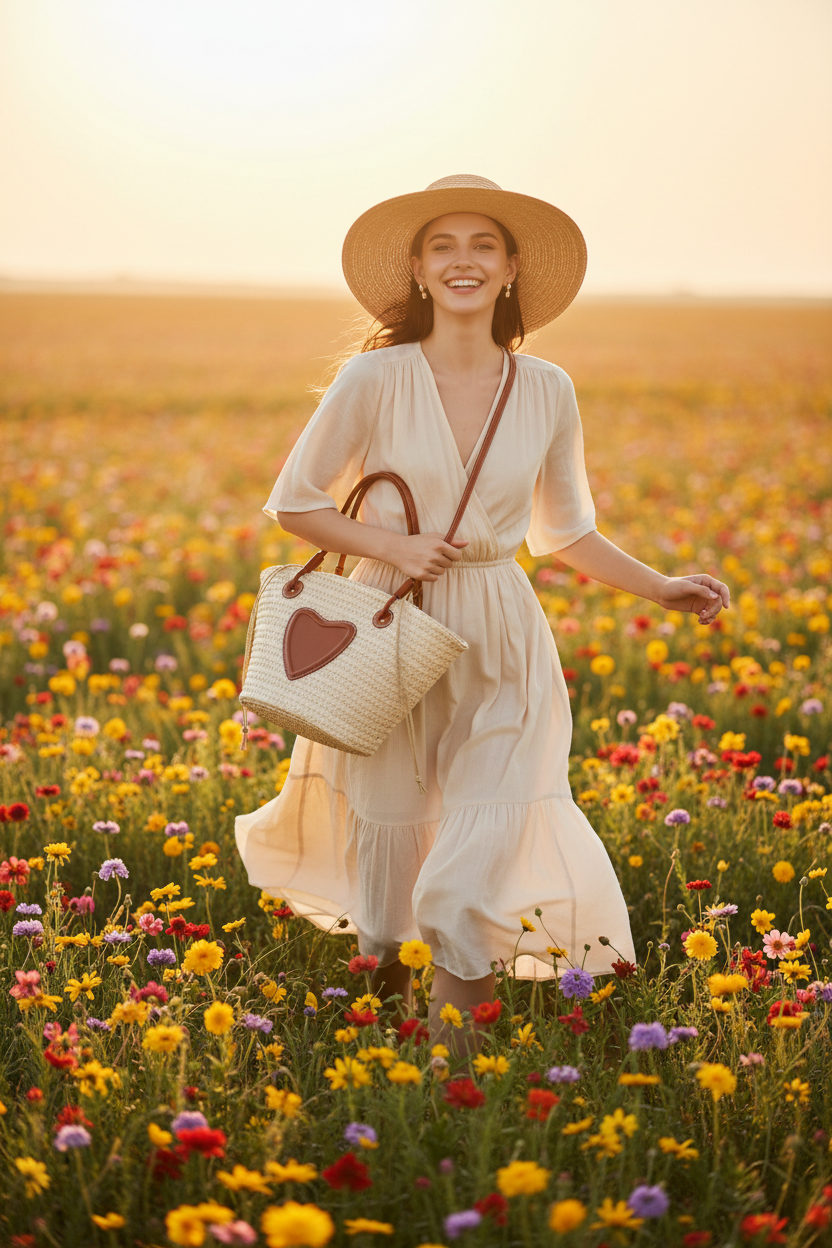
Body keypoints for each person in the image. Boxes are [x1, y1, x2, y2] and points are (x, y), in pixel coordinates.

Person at [234, 174, 730, 1052]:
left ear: (509, 273)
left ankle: (446, 1086)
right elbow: (294, 504)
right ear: (421, 273)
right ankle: (384, 1007)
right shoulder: (374, 376)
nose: (463, 262)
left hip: (502, 633)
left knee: (475, 851)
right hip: (391, 623)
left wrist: (661, 586)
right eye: (443, 248)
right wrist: (392, 548)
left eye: (482, 247)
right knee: (391, 847)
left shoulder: (546, 387)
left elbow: (567, 531)